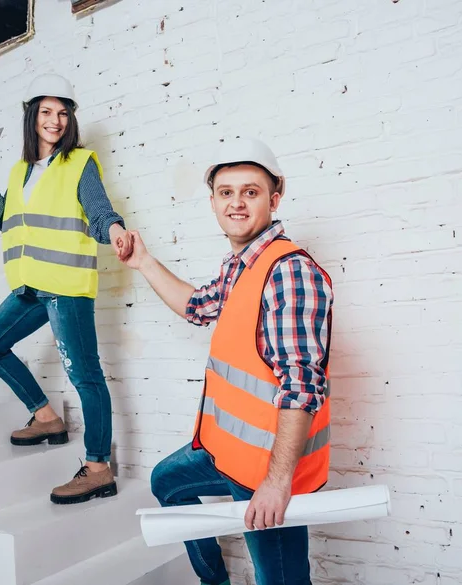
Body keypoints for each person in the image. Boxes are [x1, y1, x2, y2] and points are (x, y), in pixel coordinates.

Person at [123, 139, 333, 585]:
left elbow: (301, 386)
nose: (236, 203)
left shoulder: (288, 271)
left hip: (267, 469)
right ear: (214, 200)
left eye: (251, 192)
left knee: (281, 580)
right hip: (226, 454)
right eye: (226, 192)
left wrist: (276, 484)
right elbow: (198, 306)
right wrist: (143, 262)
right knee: (167, 482)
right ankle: (213, 579)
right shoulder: (240, 265)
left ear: (275, 198)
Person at [0, 73, 131, 505]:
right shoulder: (21, 169)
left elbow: (98, 208)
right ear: (31, 116)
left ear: (70, 119)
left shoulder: (80, 162)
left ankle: (98, 469)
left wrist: (113, 229)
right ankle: (46, 418)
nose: (55, 121)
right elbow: (10, 219)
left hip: (67, 288)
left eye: (63, 113)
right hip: (30, 287)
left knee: (86, 377)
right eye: (46, 112)